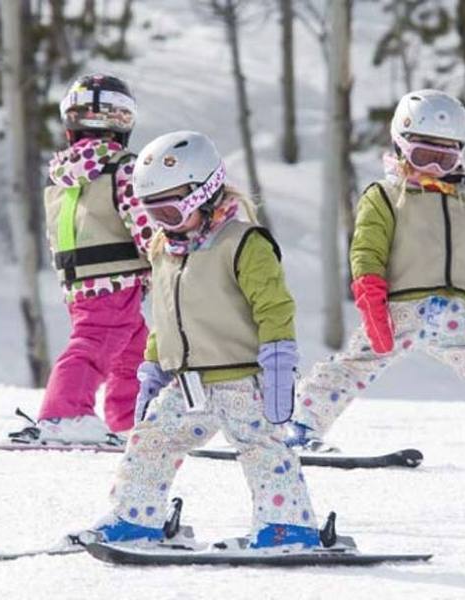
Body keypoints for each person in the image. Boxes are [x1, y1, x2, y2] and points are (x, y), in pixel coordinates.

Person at [288, 89, 465, 475]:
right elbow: (366, 252)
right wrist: (371, 300)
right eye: (423, 156)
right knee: (352, 366)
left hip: (456, 313)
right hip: (401, 308)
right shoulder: (385, 196)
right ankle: (300, 427)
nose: (432, 168)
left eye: (445, 158)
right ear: (399, 145)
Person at [71, 130, 322, 549]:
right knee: (151, 440)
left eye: (170, 212)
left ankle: (287, 526)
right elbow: (165, 314)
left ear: (203, 193)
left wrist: (279, 363)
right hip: (188, 384)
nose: (162, 224)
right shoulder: (163, 248)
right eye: (153, 214)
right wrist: (152, 368)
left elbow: (275, 308)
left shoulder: (244, 242)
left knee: (261, 448)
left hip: (241, 378)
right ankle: (137, 518)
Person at [8, 74, 156, 446]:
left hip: (80, 282)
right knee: (93, 345)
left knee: (133, 349)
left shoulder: (61, 175)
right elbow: (141, 220)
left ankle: (127, 421)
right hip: (116, 278)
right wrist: (165, 254)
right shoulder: (124, 169)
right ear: (123, 123)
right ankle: (65, 414)